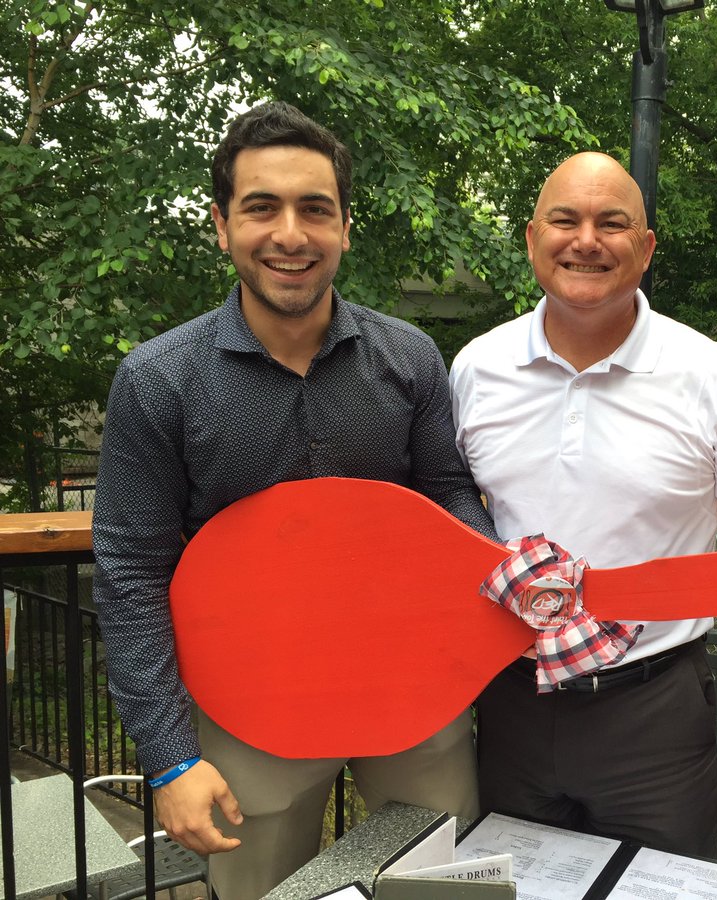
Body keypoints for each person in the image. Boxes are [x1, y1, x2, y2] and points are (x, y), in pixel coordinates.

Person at [92, 101, 494, 899]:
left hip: (409, 689)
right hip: (247, 712)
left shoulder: (410, 358)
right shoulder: (158, 379)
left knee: (444, 887)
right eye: (261, 207)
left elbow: (447, 492)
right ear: (221, 226)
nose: (290, 233)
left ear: (345, 226)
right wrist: (172, 757)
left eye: (315, 208)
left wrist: (503, 571)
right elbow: (131, 571)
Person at [448, 151, 717, 857]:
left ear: (646, 248)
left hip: (654, 709)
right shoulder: (476, 368)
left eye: (612, 223)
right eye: (565, 220)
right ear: (532, 239)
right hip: (509, 698)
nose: (586, 240)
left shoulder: (714, 375)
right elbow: (454, 513)